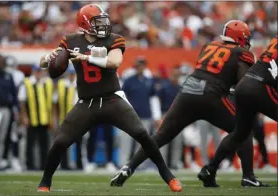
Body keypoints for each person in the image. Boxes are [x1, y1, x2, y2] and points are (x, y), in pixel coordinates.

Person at [37, 4, 181, 192]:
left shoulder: (113, 40)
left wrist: (85, 57)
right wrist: (48, 58)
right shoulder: (71, 40)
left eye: (103, 20)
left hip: (112, 100)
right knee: (61, 141)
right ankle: (45, 182)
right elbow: (43, 64)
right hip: (86, 103)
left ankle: (168, 176)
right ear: (84, 24)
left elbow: (115, 62)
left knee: (142, 134)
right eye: (97, 22)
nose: (103, 25)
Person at [111, 20, 268, 187]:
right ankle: (239, 175)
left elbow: (209, 71)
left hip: (187, 92)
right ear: (240, 38)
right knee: (243, 130)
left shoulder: (209, 46)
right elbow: (243, 85)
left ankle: (128, 167)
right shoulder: (241, 54)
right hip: (211, 96)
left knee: (160, 136)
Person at [199, 36, 277, 187]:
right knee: (241, 133)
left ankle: (211, 169)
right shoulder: (240, 53)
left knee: (240, 133)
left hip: (243, 87)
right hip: (259, 86)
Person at [122, 57, 162, 166]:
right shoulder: (128, 80)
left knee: (142, 141)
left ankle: (139, 164)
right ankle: (123, 162)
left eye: (142, 65)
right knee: (126, 139)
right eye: (139, 65)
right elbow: (122, 97)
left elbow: (153, 99)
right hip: (131, 115)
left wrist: (156, 116)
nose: (140, 67)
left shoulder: (149, 81)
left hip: (145, 115)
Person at [18, 65, 53, 170]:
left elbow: (50, 102)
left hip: (44, 118)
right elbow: (22, 101)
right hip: (32, 118)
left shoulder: (46, 83)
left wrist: (50, 118)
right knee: (30, 143)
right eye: (37, 71)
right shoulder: (27, 83)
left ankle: (43, 165)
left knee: (44, 144)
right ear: (33, 72)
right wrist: (24, 116)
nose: (39, 73)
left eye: (40, 72)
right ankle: (30, 165)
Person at [53, 65, 78, 170]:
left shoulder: (79, 84)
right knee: (63, 142)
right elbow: (55, 102)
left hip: (78, 119)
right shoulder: (61, 84)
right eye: (70, 74)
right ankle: (64, 164)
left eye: (73, 74)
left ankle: (79, 163)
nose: (71, 76)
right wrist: (54, 117)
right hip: (64, 118)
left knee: (79, 143)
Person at [0, 55, 20, 171]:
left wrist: (16, 109)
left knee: (3, 137)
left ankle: (0, 160)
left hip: (5, 109)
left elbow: (14, 94)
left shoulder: (8, 75)